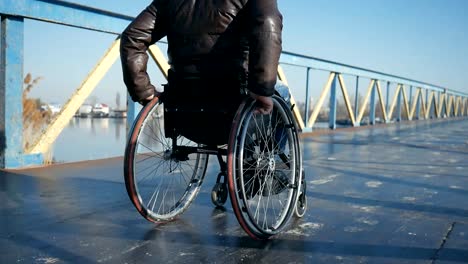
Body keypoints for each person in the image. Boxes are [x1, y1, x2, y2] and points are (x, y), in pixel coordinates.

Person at [120, 0, 283, 117]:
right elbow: (268, 28)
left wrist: (142, 90)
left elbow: (133, 37)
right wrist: (261, 89)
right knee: (283, 93)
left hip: (183, 101)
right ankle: (270, 155)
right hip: (234, 95)